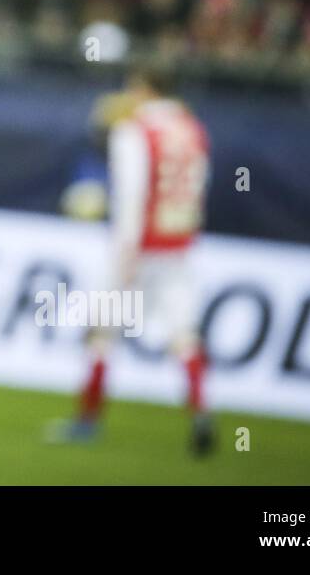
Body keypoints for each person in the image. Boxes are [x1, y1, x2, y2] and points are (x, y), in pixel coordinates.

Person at [53, 63, 214, 455]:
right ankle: (200, 411)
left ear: (144, 88)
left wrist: (125, 253)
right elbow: (200, 189)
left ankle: (87, 420)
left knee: (102, 332)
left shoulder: (134, 131)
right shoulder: (193, 130)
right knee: (183, 335)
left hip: (138, 247)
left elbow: (132, 196)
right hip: (177, 245)